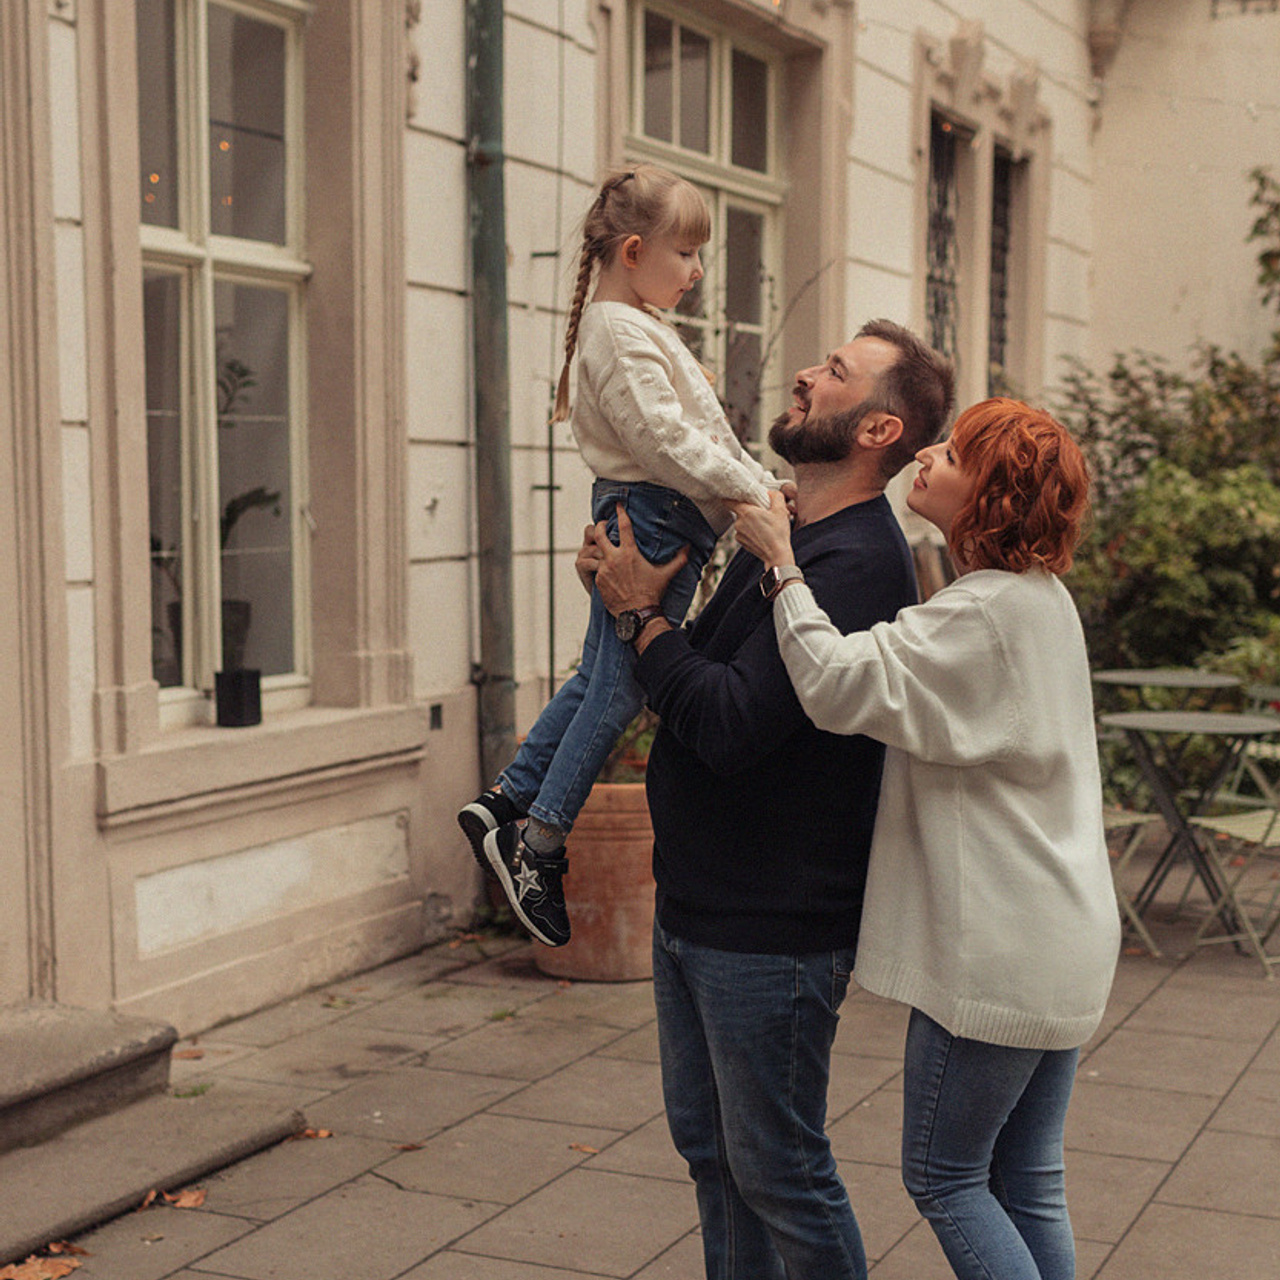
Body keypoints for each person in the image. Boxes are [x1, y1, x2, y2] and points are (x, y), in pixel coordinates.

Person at [586, 319, 956, 1280]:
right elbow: (699, 670)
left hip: (770, 928)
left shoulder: (854, 563)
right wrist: (645, 594)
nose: (804, 375)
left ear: (877, 431)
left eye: (834, 372)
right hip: (698, 903)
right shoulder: (781, 532)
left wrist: (639, 614)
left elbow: (727, 722)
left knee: (780, 1172)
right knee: (715, 1159)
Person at [729, 398, 1122, 1280]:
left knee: (945, 1178)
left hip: (1003, 951)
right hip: (1064, 935)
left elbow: (834, 684)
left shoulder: (980, 614)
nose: (926, 455)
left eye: (954, 452)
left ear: (992, 492)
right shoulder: (1040, 601)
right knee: (1028, 1178)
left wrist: (783, 566)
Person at [457, 164, 787, 949]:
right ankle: (538, 845)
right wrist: (759, 492)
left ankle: (503, 802)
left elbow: (695, 433)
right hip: (655, 519)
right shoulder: (619, 331)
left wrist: (759, 483)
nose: (698, 271)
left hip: (650, 513)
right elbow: (665, 440)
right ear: (634, 251)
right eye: (687, 253)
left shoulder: (630, 323)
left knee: (598, 679)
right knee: (621, 689)